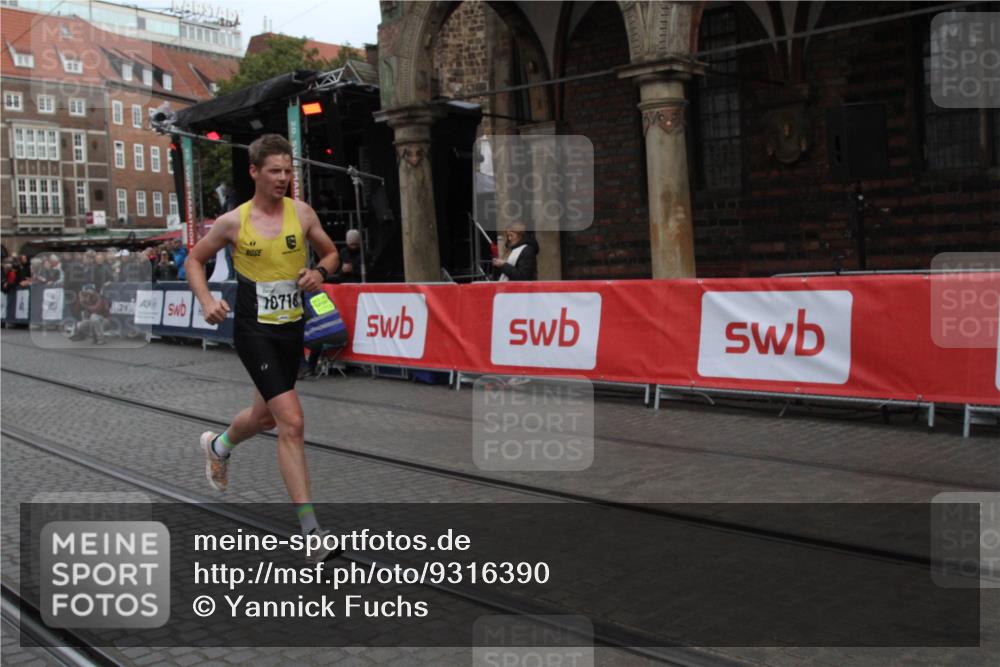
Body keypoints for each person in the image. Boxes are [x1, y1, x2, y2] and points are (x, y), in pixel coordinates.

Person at [185, 134, 341, 564]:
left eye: (288, 170)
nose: (283, 178)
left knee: (266, 416)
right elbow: (194, 259)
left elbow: (331, 254)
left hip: (291, 329)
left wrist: (319, 272)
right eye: (275, 171)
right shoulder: (233, 222)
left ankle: (219, 446)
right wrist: (206, 300)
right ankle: (311, 532)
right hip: (254, 331)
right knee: (292, 421)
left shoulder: (302, 213)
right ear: (254, 172)